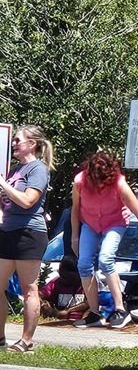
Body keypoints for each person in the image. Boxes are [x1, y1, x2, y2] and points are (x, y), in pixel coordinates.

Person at [70, 150, 138, 329]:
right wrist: (74, 237)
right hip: (90, 223)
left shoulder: (119, 184)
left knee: (105, 259)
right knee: (83, 264)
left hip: (115, 222)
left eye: (101, 178)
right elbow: (75, 209)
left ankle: (120, 309)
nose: (97, 182)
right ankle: (94, 313)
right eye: (93, 177)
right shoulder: (80, 181)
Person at [0, 125, 55, 353]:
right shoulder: (14, 170)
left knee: (29, 288)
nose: (14, 144)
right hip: (7, 232)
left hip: (29, 234)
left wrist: (2, 183)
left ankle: (26, 340)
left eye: (18, 140)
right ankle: (1, 338)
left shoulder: (38, 169)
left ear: (32, 144)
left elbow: (27, 201)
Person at [39, 253, 87, 322]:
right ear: (60, 272)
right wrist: (45, 306)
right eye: (64, 276)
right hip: (59, 319)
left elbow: (90, 302)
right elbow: (39, 295)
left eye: (71, 277)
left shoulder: (85, 284)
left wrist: (68, 311)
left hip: (81, 319)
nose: (67, 280)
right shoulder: (55, 283)